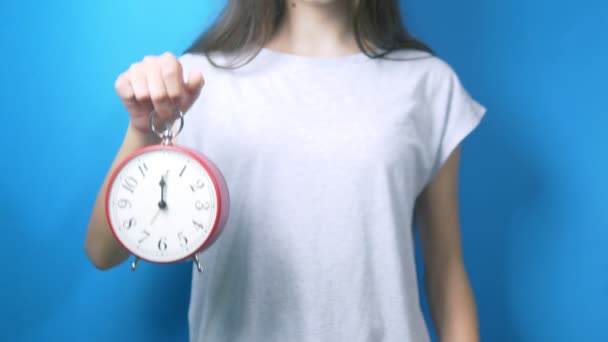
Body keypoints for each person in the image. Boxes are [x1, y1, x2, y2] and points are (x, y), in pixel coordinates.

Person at [85, 0, 487, 341]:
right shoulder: (195, 83)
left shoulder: (428, 84)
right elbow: (104, 251)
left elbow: (446, 275)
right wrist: (144, 129)